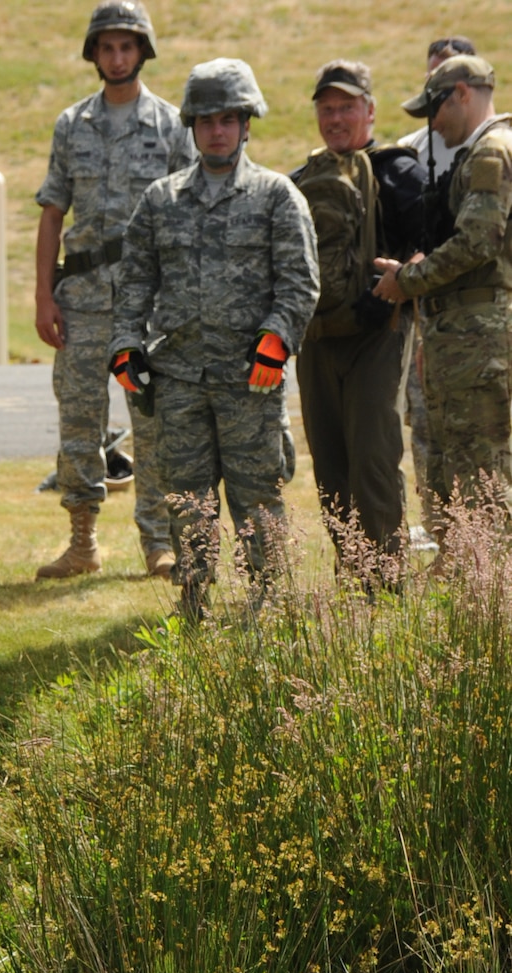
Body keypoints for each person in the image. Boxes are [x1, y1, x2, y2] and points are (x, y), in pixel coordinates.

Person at [111, 60, 319, 614]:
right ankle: (195, 603)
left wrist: (277, 339)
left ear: (247, 123)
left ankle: (267, 606)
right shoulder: (160, 200)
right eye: (206, 121)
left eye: (229, 119)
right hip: (178, 380)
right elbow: (133, 280)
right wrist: (124, 344)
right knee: (186, 501)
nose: (218, 130)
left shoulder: (277, 196)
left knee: (257, 500)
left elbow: (300, 282)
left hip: (250, 379)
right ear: (192, 127)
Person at [33, 1, 193, 582]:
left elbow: (189, 213)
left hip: (145, 301)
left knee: (150, 421)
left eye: (127, 47)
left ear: (142, 52)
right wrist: (42, 295)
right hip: (79, 296)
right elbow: (52, 212)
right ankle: (82, 541)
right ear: (94, 53)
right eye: (108, 47)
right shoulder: (71, 124)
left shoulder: (173, 125)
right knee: (78, 420)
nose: (117, 57)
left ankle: (157, 541)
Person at [291, 62, 427, 567]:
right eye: (326, 108)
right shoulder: (302, 178)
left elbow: (433, 246)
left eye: (347, 106)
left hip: (380, 335)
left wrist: (395, 287)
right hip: (318, 340)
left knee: (373, 459)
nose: (335, 118)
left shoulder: (397, 171)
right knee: (330, 468)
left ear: (369, 111)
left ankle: (386, 583)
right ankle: (353, 577)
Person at [374, 54, 512, 528]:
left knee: (482, 471)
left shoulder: (491, 152)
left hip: (478, 337)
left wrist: (407, 280)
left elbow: (478, 241)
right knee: (471, 466)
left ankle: (492, 588)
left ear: (462, 93)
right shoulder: (491, 149)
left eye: (434, 107)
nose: (432, 124)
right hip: (469, 333)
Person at [396, 36, 477, 535]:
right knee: (427, 421)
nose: (438, 83)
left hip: (484, 311)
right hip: (427, 310)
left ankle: (486, 539)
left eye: (448, 73)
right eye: (432, 73)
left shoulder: (490, 142)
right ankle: (437, 527)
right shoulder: (411, 149)